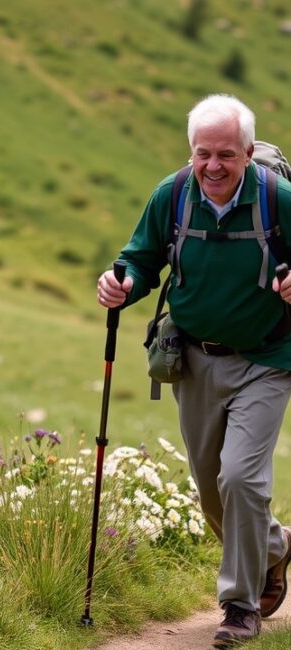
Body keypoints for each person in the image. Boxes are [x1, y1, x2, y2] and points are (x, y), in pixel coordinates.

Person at [97, 93, 291, 648]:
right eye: (203, 153)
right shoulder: (174, 194)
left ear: (248, 153)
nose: (213, 166)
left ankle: (239, 604)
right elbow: (140, 257)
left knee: (240, 478)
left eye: (226, 154)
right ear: (191, 152)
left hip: (267, 359)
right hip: (195, 359)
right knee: (210, 488)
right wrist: (123, 283)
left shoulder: (279, 199)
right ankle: (275, 546)